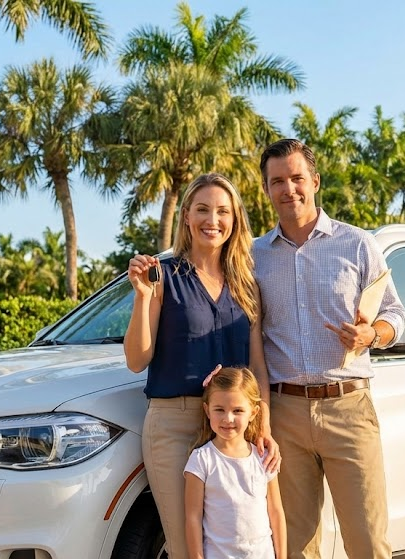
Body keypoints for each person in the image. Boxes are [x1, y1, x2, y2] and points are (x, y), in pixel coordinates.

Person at [252, 139, 405, 558]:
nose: (289, 189)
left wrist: (371, 335)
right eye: (277, 181)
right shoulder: (254, 256)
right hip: (283, 413)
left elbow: (395, 314)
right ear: (267, 189)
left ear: (315, 181)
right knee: (295, 547)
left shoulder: (356, 244)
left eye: (297, 178)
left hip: (348, 409)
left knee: (368, 541)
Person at [124, 173, 279, 559]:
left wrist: (265, 429)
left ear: (235, 220)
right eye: (203, 209)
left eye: (223, 211)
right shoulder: (163, 276)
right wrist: (143, 297)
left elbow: (257, 365)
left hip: (234, 428)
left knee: (239, 541)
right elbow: (136, 359)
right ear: (187, 218)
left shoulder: (246, 283)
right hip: (174, 426)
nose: (213, 219)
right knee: (187, 547)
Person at [184, 366, 286, 559]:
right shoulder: (201, 460)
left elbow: (276, 511)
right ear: (207, 410)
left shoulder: (264, 458)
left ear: (254, 413)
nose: (228, 418)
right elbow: (193, 517)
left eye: (238, 410)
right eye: (219, 410)